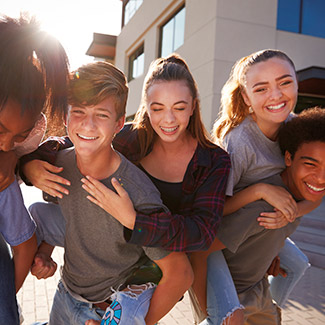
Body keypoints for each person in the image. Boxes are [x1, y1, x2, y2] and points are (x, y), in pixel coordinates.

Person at [21, 55, 240, 324]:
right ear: (146, 108)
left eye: (179, 107)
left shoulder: (211, 161)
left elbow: (201, 235)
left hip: (185, 247)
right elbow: (73, 143)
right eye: (157, 108)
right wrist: (29, 165)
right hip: (87, 276)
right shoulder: (128, 138)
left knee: (231, 318)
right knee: (39, 212)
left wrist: (134, 221)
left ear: (194, 106)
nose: (168, 119)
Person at [189, 49, 317, 324]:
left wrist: (289, 213)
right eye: (261, 89)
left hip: (263, 226)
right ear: (246, 97)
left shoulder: (295, 128)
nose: (276, 95)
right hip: (222, 236)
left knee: (296, 265)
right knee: (225, 314)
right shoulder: (239, 142)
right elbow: (215, 210)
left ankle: (269, 310)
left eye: (285, 82)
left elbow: (316, 194)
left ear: (296, 83)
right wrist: (260, 191)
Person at [215, 106, 325, 324]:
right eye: (310, 164)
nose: (321, 178)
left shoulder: (304, 193)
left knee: (297, 265)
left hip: (258, 289)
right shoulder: (240, 142)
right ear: (288, 158)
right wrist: (213, 310)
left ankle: (274, 310)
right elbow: (204, 247)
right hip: (238, 291)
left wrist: (287, 221)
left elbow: (316, 199)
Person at [0, 14, 69, 324]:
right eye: (0, 130)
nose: (5, 145)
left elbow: (25, 245)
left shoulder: (3, 179)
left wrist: (5, 302)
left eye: (18, 137)